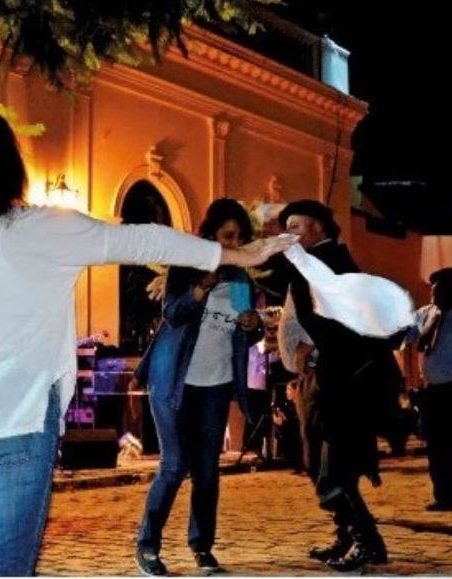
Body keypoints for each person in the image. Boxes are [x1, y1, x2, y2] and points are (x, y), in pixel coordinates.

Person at [0, 107, 295, 576]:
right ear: (9, 164)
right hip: (8, 427)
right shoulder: (37, 226)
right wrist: (232, 253)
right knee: (4, 566)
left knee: (6, 561)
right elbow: (143, 240)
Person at [133, 198, 262, 575]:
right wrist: (201, 288)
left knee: (207, 470)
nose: (234, 243)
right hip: (175, 379)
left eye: (239, 237)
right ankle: (148, 545)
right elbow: (173, 314)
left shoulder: (240, 280)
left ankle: (202, 548)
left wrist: (253, 326)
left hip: (216, 383)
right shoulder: (187, 267)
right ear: (210, 236)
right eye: (227, 236)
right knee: (174, 465)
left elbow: (244, 334)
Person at [278, 199, 402, 571]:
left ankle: (366, 541)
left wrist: (311, 347)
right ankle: (348, 535)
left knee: (335, 468)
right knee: (319, 461)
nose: (290, 233)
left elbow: (347, 322)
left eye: (297, 226)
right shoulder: (312, 264)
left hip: (344, 381)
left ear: (320, 229)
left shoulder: (331, 265)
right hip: (325, 375)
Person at [404, 267, 452, 511]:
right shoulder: (425, 314)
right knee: (436, 445)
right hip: (432, 391)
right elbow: (408, 341)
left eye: (441, 291)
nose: (435, 295)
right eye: (433, 291)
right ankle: (443, 495)